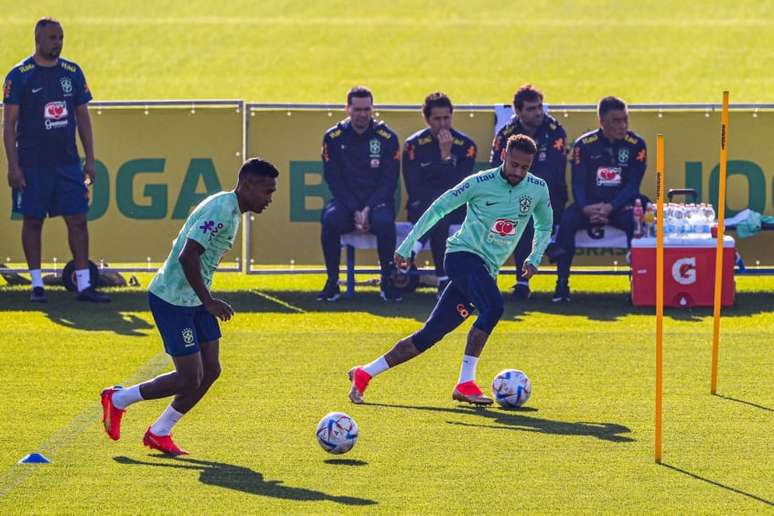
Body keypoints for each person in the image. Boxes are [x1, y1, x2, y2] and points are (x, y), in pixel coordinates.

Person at [347, 135, 552, 406]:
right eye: (514, 165)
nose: (518, 172)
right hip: (461, 256)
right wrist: (407, 245)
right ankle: (466, 382)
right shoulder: (479, 182)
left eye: (525, 168)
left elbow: (544, 225)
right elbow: (438, 209)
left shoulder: (537, 188)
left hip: (486, 268)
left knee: (430, 335)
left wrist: (535, 257)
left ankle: (364, 373)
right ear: (503, 155)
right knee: (493, 307)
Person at [100, 158, 278, 455]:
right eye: (266, 191)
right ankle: (118, 399)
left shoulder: (231, 209)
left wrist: (204, 299)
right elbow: (187, 255)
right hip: (173, 300)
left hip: (194, 299)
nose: (270, 198)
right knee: (188, 377)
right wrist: (208, 301)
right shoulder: (222, 210)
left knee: (211, 370)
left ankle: (160, 431)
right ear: (247, 185)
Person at [3, 18, 108, 302]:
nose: (58, 43)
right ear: (38, 39)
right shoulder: (19, 75)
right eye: (52, 38)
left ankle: (85, 285)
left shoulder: (72, 72)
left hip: (67, 164)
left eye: (60, 37)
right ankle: (37, 285)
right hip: (32, 165)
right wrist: (13, 166)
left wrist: (90, 159)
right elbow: (9, 123)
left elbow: (83, 117)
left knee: (78, 220)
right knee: (33, 221)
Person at [549, 96, 647, 302]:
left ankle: (639, 285)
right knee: (568, 220)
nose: (622, 126)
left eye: (625, 120)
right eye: (616, 121)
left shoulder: (637, 145)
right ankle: (561, 284)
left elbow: (633, 185)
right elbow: (577, 183)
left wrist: (611, 207)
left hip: (620, 206)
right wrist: (585, 208)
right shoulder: (584, 145)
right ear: (602, 121)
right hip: (590, 205)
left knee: (636, 223)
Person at [318, 86, 401, 302]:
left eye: (367, 109)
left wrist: (368, 208)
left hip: (378, 202)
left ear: (372, 109)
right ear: (347, 109)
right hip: (346, 203)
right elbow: (333, 179)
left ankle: (387, 281)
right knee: (329, 220)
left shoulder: (387, 137)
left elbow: (389, 180)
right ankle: (332, 283)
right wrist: (355, 209)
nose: (362, 114)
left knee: (384, 222)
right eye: (357, 109)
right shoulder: (333, 137)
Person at [490, 84, 567, 300]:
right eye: (532, 109)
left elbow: (554, 171)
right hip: (511, 193)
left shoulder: (555, 131)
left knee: (526, 211)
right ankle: (515, 280)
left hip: (549, 194)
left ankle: (523, 281)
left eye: (540, 107)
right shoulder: (506, 133)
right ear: (518, 111)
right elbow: (495, 168)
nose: (538, 113)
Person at [403, 92, 477, 297]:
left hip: (456, 210)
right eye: (437, 119)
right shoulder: (413, 145)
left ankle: (411, 252)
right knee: (438, 213)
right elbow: (414, 186)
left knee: (441, 213)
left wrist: (446, 155)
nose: (443, 124)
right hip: (421, 207)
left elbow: (459, 186)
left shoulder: (466, 146)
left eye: (447, 118)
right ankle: (443, 280)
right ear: (427, 119)